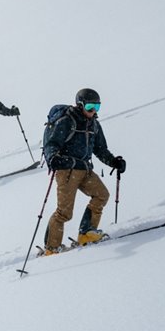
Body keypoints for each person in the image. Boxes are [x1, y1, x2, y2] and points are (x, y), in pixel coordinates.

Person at [42, 88, 126, 254]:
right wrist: (52, 157)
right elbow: (52, 144)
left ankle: (87, 233)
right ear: (80, 105)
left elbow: (100, 149)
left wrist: (114, 162)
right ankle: (51, 248)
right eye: (90, 107)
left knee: (101, 195)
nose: (93, 111)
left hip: (85, 169)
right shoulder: (67, 121)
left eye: (97, 107)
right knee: (64, 213)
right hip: (66, 171)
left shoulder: (94, 124)